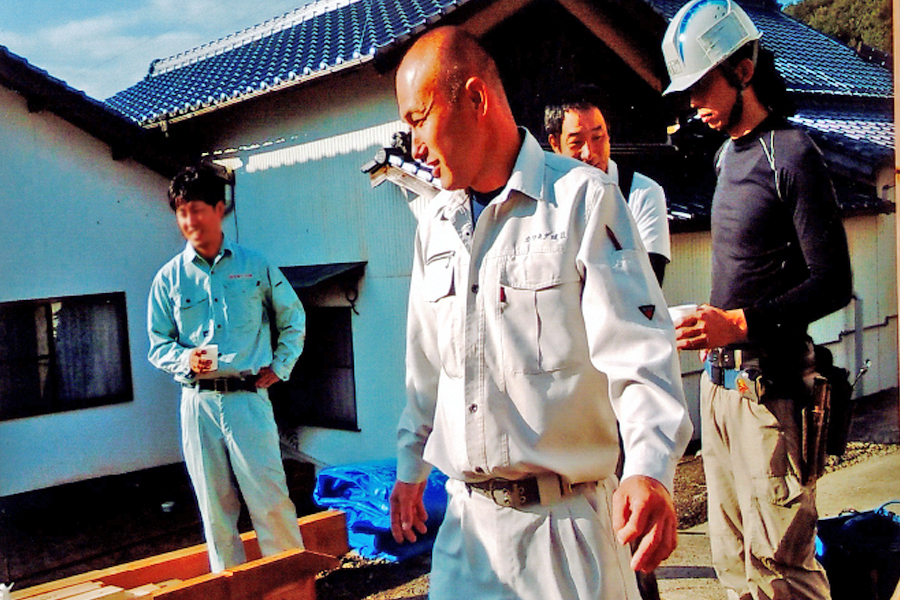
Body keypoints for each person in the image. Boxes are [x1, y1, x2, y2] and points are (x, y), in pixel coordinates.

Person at [390, 26, 692, 600]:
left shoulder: (582, 199)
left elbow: (642, 355)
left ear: (476, 99)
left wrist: (650, 468)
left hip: (567, 534)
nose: (415, 147)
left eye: (419, 119)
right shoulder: (435, 224)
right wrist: (411, 467)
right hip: (467, 534)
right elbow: (424, 365)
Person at [662, 1, 852, 598]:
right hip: (718, 392)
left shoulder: (792, 153)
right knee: (735, 568)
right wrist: (712, 324)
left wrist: (739, 323)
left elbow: (833, 281)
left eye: (701, 86)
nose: (693, 104)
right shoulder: (727, 155)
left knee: (783, 569)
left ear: (743, 69)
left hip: (770, 395)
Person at [147, 163, 305, 573]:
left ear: (220, 209)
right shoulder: (168, 279)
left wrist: (281, 366)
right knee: (215, 512)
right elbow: (157, 344)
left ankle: (291, 589)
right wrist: (184, 359)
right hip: (197, 404)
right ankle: (230, 589)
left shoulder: (256, 266)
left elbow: (293, 318)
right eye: (181, 212)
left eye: (197, 209)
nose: (189, 220)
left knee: (270, 501)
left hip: (249, 399)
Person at [545, 86, 672, 285]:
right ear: (555, 144)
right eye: (577, 142)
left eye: (598, 137)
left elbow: (649, 283)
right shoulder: (543, 198)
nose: (589, 153)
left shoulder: (642, 192)